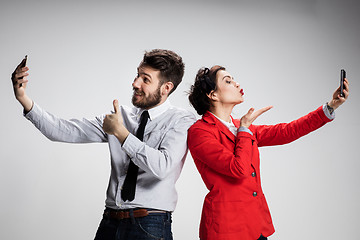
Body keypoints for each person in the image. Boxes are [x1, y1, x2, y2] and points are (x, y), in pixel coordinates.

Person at [11, 49, 196, 240]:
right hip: (110, 221)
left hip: (150, 224)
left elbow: (162, 167)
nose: (135, 83)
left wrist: (121, 133)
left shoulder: (181, 120)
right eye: (137, 75)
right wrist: (23, 98)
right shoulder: (120, 116)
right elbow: (63, 130)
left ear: (166, 87)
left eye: (145, 79)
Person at [187, 65, 349, 240]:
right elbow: (238, 169)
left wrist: (331, 106)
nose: (236, 83)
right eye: (228, 81)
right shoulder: (200, 132)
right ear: (212, 95)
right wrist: (244, 129)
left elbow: (287, 131)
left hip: (256, 225)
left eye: (234, 79)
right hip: (225, 228)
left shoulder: (240, 126)